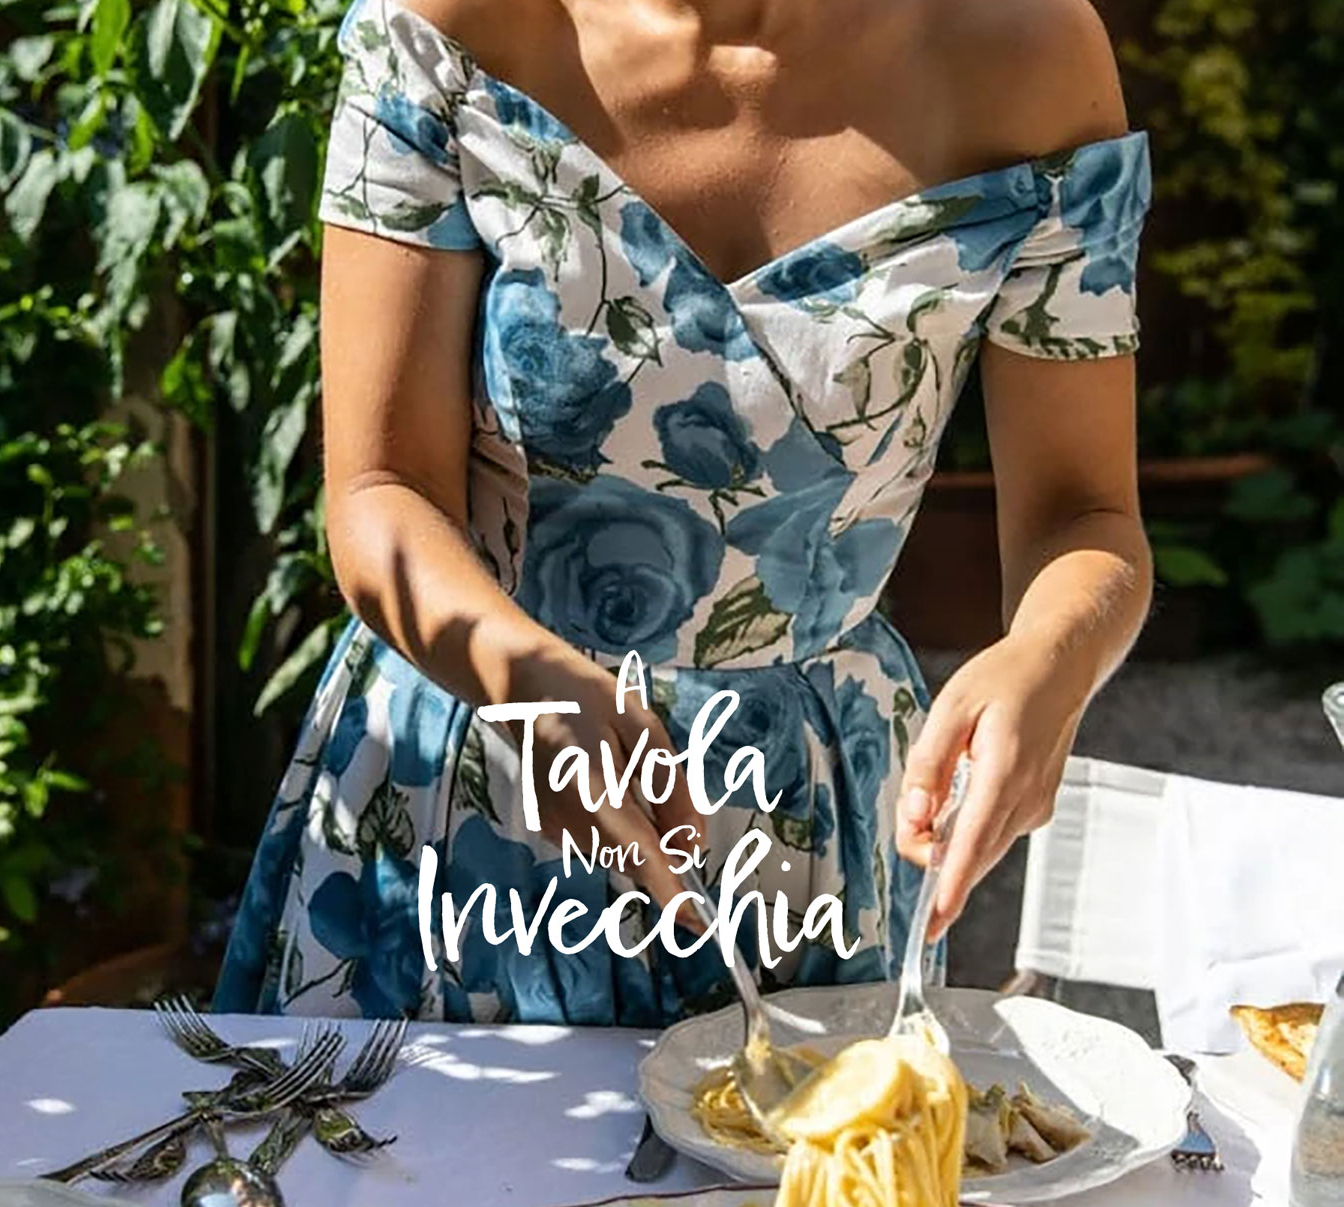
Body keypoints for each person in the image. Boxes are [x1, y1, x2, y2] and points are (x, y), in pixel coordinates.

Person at [213, 0, 1153, 1024]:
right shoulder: (451, 23)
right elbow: (378, 490)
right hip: (474, 775)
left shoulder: (1031, 52)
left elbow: (1086, 513)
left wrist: (1053, 658)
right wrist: (516, 674)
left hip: (806, 825)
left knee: (799, 1181)